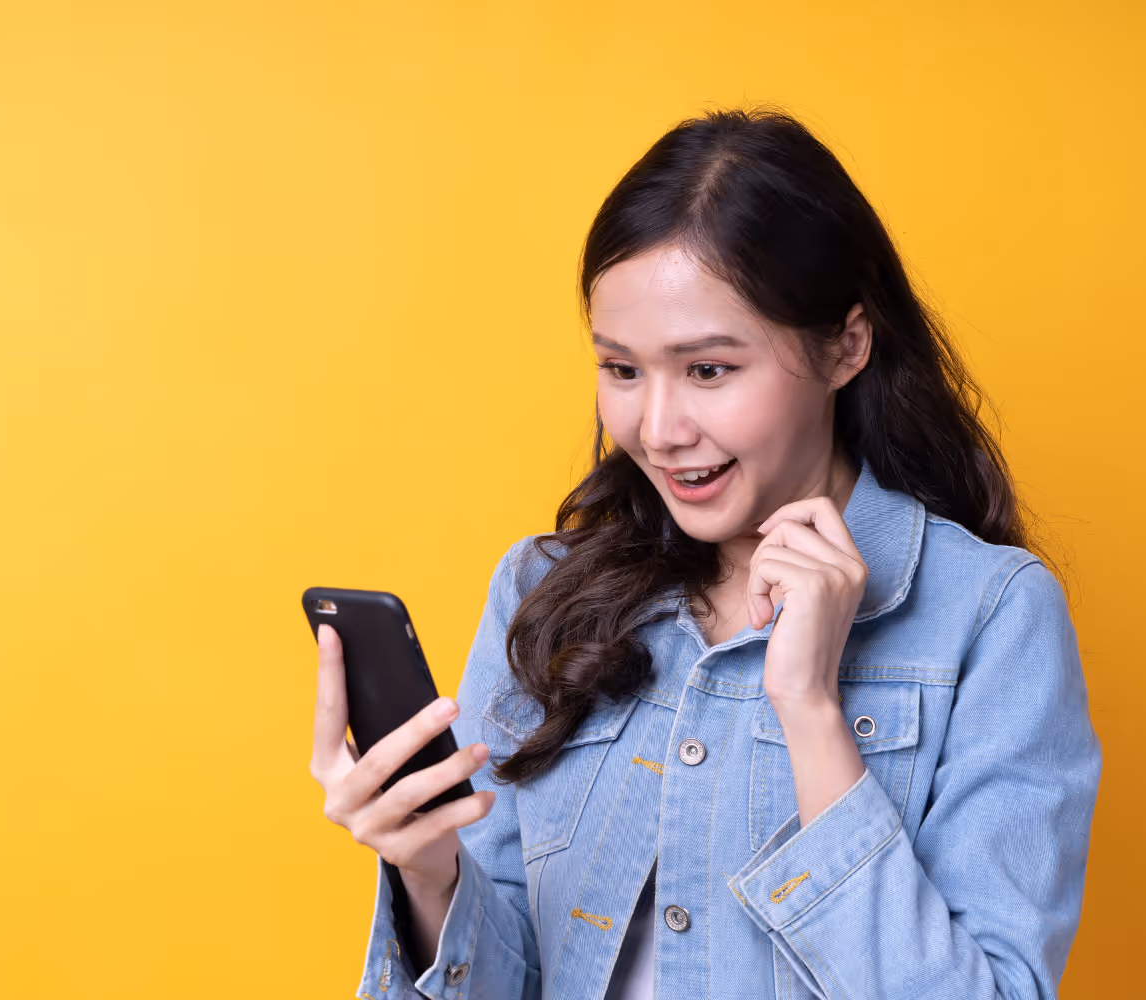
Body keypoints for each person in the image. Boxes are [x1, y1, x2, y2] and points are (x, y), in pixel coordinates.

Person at [308, 108, 1102, 999]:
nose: (657, 430)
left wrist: (811, 711)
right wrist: (426, 871)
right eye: (622, 369)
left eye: (709, 370)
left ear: (846, 346)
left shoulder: (990, 616)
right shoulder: (543, 590)